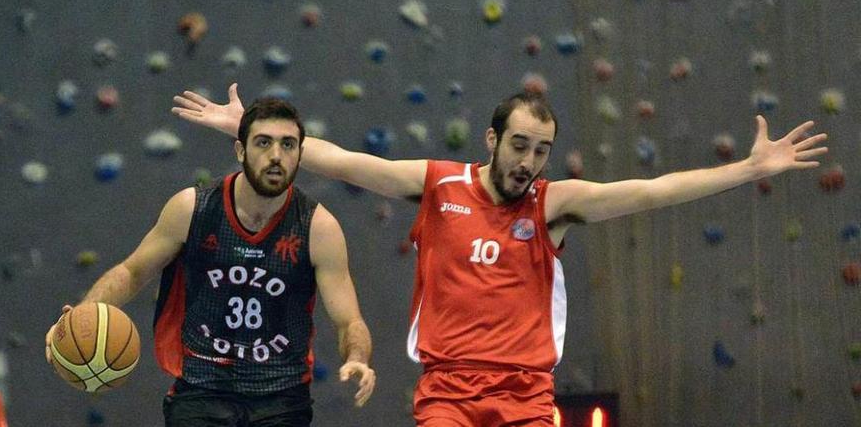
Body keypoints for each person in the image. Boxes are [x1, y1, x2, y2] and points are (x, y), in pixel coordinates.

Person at [172, 84, 828, 426]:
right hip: (449, 392)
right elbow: (348, 161)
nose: (527, 161)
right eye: (518, 144)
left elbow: (653, 190)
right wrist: (244, 127)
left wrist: (747, 169)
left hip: (524, 396)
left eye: (540, 150)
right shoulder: (439, 185)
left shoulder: (553, 205)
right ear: (493, 138)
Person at [46, 98, 375, 426]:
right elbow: (132, 272)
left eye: (288, 145)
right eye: (263, 143)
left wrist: (358, 358)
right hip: (201, 388)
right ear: (240, 151)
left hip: (281, 395)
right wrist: (84, 311)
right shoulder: (193, 209)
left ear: (300, 155)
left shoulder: (318, 228)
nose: (276, 155)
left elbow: (349, 321)